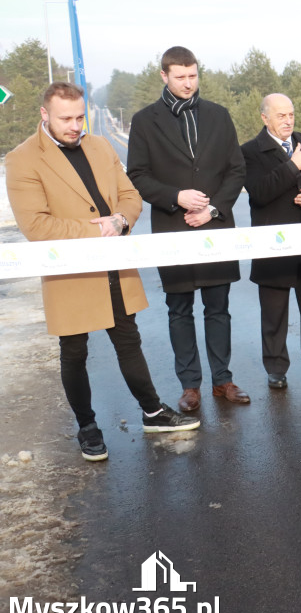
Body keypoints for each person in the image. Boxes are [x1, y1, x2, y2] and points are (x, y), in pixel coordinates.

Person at [6, 83, 200, 461]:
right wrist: (99, 229)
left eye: (80, 117)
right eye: (65, 118)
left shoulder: (100, 146)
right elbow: (36, 225)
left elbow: (129, 195)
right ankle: (87, 426)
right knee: (74, 351)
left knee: (128, 340)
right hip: (70, 271)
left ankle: (153, 412)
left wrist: (121, 220)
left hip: (114, 263)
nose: (75, 125)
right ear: (44, 114)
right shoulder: (23, 159)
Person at [128, 46, 250, 413]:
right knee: (179, 310)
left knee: (218, 308)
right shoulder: (144, 121)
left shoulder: (218, 115)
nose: (188, 83)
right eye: (180, 77)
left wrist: (212, 209)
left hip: (215, 228)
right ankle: (190, 386)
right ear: (164, 76)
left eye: (193, 75)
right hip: (172, 228)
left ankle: (222, 380)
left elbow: (236, 170)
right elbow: (138, 175)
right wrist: (176, 196)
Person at [241, 94, 301, 389]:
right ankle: (276, 367)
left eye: (291, 114)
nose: (288, 120)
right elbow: (260, 192)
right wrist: (293, 165)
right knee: (274, 313)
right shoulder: (250, 152)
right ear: (265, 118)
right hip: (274, 246)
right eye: (281, 115)